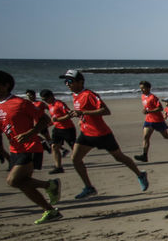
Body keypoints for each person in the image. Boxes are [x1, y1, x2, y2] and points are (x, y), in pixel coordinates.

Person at [0, 69, 62, 223]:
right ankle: (50, 210)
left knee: (13, 181)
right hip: (15, 149)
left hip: (31, 146)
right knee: (23, 184)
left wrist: (31, 132)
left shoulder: (21, 103)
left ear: (6, 85)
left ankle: (50, 185)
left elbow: (45, 120)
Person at [60, 69, 149, 199]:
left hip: (101, 134)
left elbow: (106, 111)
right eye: (65, 82)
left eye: (70, 81)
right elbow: (83, 112)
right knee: (75, 158)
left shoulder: (89, 94)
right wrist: (79, 118)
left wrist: (83, 113)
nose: (67, 84)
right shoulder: (75, 95)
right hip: (86, 133)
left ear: (80, 82)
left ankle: (140, 174)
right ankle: (89, 187)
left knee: (119, 157)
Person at [134, 81, 168, 162]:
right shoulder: (143, 96)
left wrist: (149, 111)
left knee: (166, 136)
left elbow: (160, 108)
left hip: (157, 120)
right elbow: (147, 107)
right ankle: (144, 155)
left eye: (143, 88)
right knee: (146, 137)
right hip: (148, 120)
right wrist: (146, 110)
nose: (142, 90)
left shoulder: (153, 97)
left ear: (148, 88)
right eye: (141, 88)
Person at [42, 89, 75, 174]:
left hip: (68, 129)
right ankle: (58, 167)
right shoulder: (49, 105)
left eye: (46, 99)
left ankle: (78, 162)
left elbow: (70, 114)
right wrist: (49, 124)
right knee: (54, 147)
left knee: (74, 148)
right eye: (43, 100)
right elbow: (54, 118)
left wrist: (58, 119)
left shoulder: (59, 104)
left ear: (51, 96)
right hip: (57, 129)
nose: (45, 101)